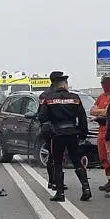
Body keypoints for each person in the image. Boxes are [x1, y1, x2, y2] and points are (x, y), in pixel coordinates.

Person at [36, 71, 92, 203]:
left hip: (57, 134)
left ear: (55, 85)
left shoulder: (49, 99)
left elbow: (42, 117)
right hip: (72, 133)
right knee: (77, 161)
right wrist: (82, 134)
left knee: (57, 163)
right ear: (65, 85)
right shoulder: (75, 98)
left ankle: (60, 193)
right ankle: (86, 189)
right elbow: (83, 119)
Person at [91, 76, 110, 191]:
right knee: (103, 157)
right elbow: (92, 111)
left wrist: (102, 112)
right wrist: (104, 112)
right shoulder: (101, 97)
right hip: (101, 131)